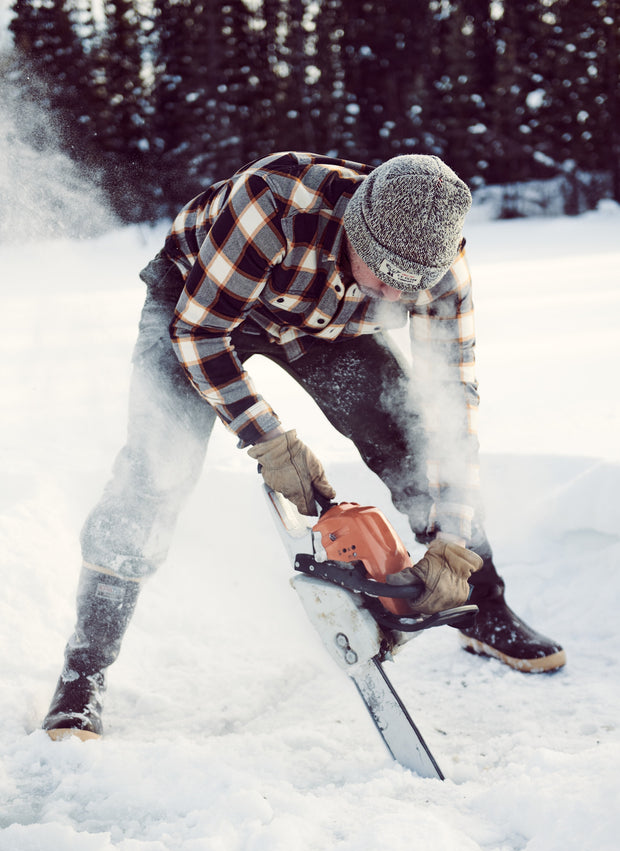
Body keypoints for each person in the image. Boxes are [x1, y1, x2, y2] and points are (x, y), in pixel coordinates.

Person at [43, 152, 566, 741]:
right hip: (203, 302)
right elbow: (200, 332)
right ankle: (82, 675)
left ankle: (483, 608)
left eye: (409, 283)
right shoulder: (275, 205)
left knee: (419, 448)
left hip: (331, 326)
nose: (396, 290)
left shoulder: (440, 270)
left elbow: (453, 402)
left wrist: (453, 536)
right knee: (155, 473)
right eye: (385, 270)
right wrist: (269, 439)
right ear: (355, 226)